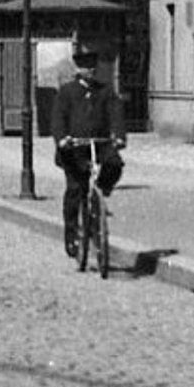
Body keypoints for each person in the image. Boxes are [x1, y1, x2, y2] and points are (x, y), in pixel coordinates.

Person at [49, 45, 125, 258]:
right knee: (75, 189)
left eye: (93, 68)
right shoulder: (67, 92)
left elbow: (116, 113)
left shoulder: (105, 91)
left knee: (115, 164)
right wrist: (62, 139)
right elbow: (58, 119)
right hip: (74, 148)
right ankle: (72, 235)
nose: (90, 71)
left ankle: (102, 190)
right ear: (78, 70)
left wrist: (119, 137)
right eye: (85, 68)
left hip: (99, 144)